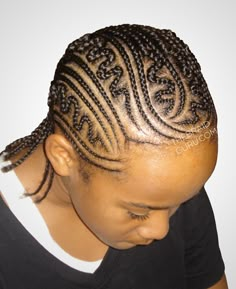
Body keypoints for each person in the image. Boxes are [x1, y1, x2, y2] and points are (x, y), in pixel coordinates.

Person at [0, 24, 228, 289]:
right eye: (138, 212)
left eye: (182, 202)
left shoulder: (170, 190)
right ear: (63, 157)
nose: (161, 230)